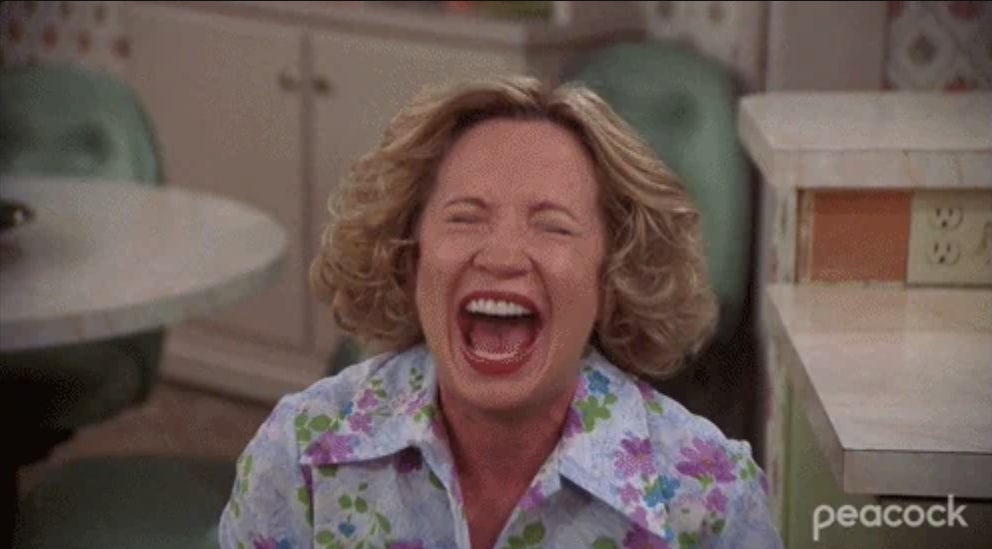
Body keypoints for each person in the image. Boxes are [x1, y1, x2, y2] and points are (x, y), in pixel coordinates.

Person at [219, 75, 783, 549]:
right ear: (409, 257)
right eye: (465, 217)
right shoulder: (299, 456)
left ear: (612, 279)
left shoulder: (711, 497)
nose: (503, 256)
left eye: (552, 225)